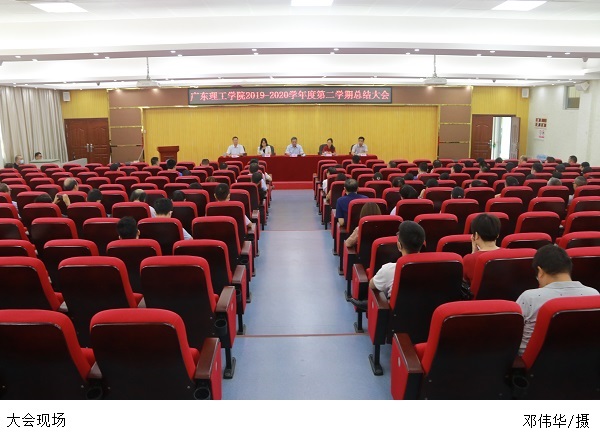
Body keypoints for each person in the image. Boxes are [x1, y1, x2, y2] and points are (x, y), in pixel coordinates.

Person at [516, 245, 599, 355]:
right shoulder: (594, 295)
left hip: (537, 360)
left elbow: (512, 334)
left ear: (540, 271)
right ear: (569, 268)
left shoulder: (529, 297)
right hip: (586, 357)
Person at [348, 221, 425, 310]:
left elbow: (372, 285)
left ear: (399, 245)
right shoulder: (433, 270)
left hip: (395, 315)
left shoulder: (389, 270)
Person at [462, 213, 501, 286]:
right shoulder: (511, 254)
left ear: (476, 235)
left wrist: (473, 253)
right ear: (498, 235)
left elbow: (465, 282)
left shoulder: (469, 259)